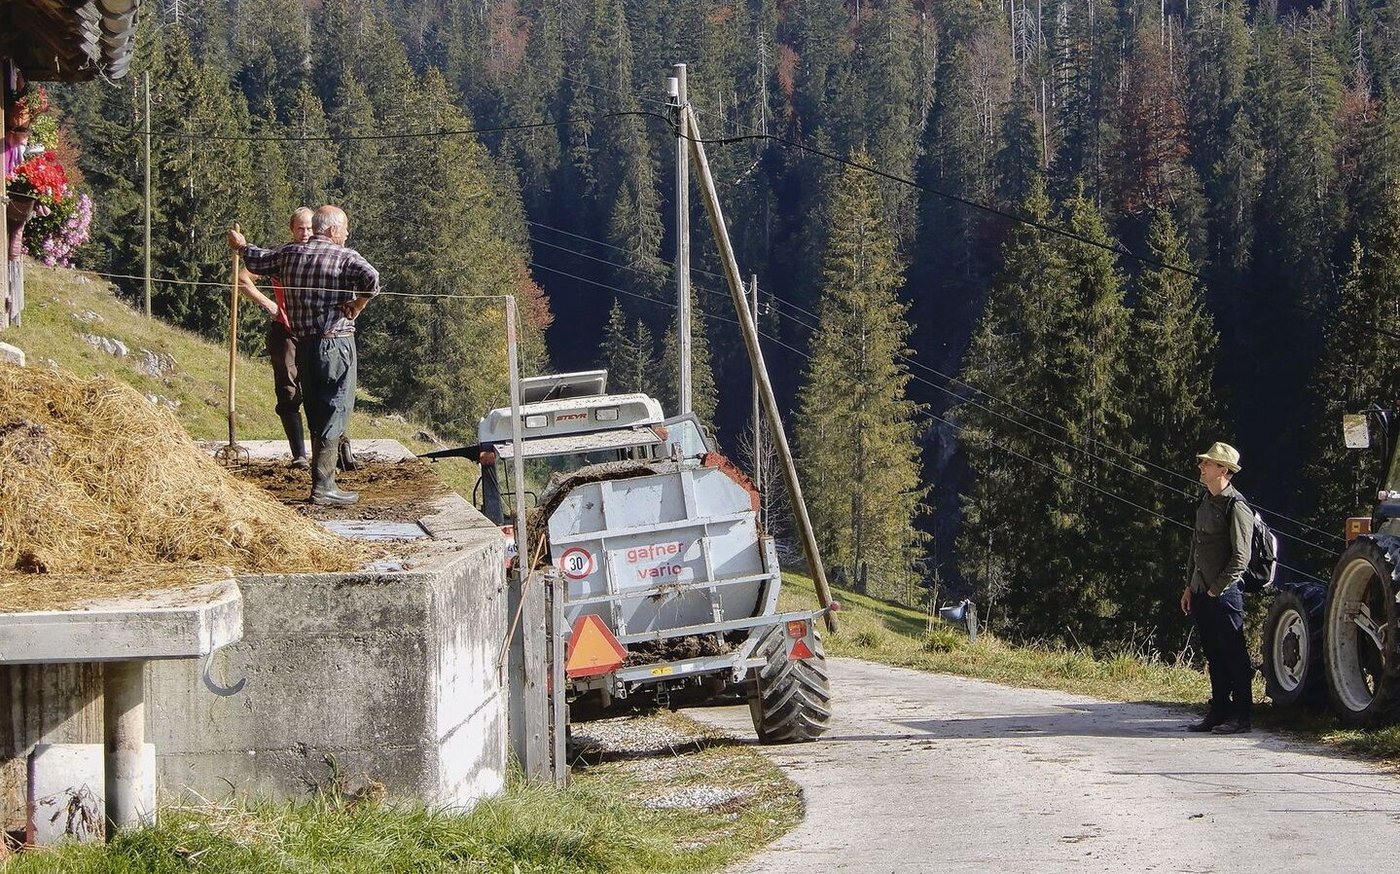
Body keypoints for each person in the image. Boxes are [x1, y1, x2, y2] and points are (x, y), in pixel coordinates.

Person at [228, 205, 379, 506]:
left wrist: (241, 245)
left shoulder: (288, 254)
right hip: (336, 344)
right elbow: (372, 279)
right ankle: (324, 485)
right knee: (335, 409)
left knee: (313, 408)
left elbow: (257, 258)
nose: (347, 235)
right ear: (333, 230)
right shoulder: (344, 257)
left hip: (305, 345)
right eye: (345, 229)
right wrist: (358, 305)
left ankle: (321, 480)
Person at [1180, 441, 1254, 734]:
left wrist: (1216, 590)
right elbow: (1195, 548)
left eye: (1207, 464)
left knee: (1233, 653)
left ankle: (1241, 716)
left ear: (1223, 469)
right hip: (1201, 592)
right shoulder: (1205, 502)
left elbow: (1241, 557)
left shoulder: (1237, 506)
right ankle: (1218, 711)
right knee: (1213, 652)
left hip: (1224, 594)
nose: (1201, 467)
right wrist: (1190, 587)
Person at [238, 207, 313, 469]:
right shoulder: (280, 256)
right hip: (286, 330)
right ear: (292, 230)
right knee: (288, 391)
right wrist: (269, 305)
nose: (305, 233)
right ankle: (299, 454)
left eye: (310, 228)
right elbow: (242, 278)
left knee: (322, 390)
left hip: (317, 332)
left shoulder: (322, 255)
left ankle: (333, 450)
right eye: (301, 228)